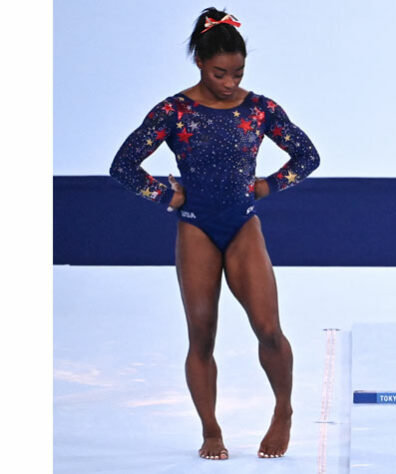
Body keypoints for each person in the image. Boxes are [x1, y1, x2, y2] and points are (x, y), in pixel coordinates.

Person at [109, 7, 320, 460]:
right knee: (202, 335)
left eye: (238, 72)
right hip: (196, 228)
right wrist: (166, 196)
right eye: (220, 73)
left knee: (267, 329)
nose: (229, 82)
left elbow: (308, 155)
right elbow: (122, 166)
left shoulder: (261, 109)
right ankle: (211, 430)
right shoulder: (174, 111)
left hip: (243, 224)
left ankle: (283, 410)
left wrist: (268, 185)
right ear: (201, 64)